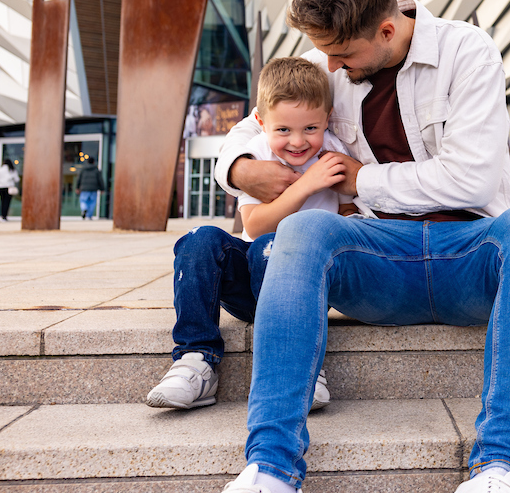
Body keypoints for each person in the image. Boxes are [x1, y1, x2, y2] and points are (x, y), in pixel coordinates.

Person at [214, 0, 510, 493]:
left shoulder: (466, 51)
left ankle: (498, 465)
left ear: (385, 29)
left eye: (341, 55)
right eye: (326, 54)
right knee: (303, 229)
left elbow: (471, 179)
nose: (331, 67)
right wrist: (239, 168)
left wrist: (362, 180)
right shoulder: (331, 59)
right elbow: (253, 125)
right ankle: (271, 469)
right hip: (380, 261)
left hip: (469, 258)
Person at [146, 57, 355, 411]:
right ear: (260, 122)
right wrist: (306, 184)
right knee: (201, 239)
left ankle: (298, 366)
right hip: (252, 279)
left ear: (328, 118)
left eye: (310, 128)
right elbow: (255, 225)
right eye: (283, 130)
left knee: (274, 247)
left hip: (306, 288)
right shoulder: (256, 155)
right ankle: (196, 360)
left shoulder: (335, 154)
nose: (297, 141)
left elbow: (350, 214)